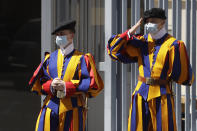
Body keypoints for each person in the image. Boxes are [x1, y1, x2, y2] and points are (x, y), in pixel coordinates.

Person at [107, 8, 194, 131]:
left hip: (162, 95)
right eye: (147, 22)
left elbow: (183, 77)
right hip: (140, 93)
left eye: (153, 21)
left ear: (162, 22)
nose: (149, 24)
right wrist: (130, 32)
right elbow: (114, 50)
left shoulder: (173, 44)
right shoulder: (141, 42)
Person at [28, 20, 104, 131]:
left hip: (73, 110)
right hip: (50, 108)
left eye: (62, 34)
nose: (59, 37)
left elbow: (93, 86)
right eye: (57, 35)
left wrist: (66, 86)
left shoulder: (82, 59)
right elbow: (39, 83)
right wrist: (51, 85)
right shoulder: (49, 58)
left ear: (71, 35)